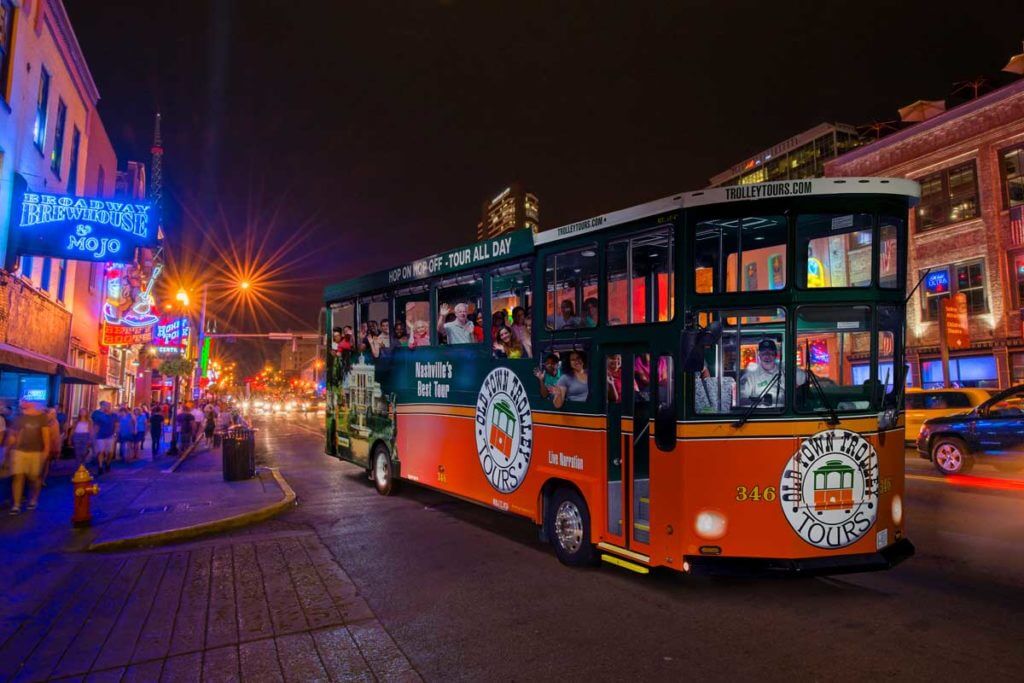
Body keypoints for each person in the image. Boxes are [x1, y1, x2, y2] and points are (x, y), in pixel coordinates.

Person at [7, 401, 51, 514]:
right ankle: (16, 505)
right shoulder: (19, 417)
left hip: (36, 452)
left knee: (34, 477)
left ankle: (34, 498)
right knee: (18, 476)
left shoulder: (42, 417)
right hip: (19, 451)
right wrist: (9, 447)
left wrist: (46, 451)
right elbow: (13, 434)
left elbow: (46, 436)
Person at [740, 339, 784, 407]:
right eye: (764, 353)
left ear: (775, 355)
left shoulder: (784, 370)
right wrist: (760, 401)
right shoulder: (751, 374)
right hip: (760, 413)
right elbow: (742, 397)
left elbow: (801, 379)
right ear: (759, 355)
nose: (767, 356)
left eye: (770, 353)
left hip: (782, 413)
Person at [91, 401, 116, 473]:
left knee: (110, 452)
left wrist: (115, 434)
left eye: (109, 406)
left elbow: (116, 424)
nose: (107, 407)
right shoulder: (97, 414)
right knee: (101, 451)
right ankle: (100, 466)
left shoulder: (113, 415)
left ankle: (108, 463)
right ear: (102, 406)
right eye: (106, 406)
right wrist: (93, 436)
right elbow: (95, 425)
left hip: (110, 436)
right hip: (100, 436)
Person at [42, 408, 61, 484]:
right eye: (51, 413)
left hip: (50, 445)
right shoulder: (42, 421)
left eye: (54, 413)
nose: (53, 415)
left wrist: (57, 448)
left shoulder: (55, 422)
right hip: (41, 444)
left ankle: (43, 479)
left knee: (47, 463)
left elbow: (56, 437)